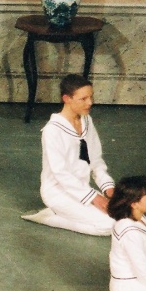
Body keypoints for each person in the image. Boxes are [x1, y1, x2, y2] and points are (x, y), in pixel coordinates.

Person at [21, 74, 116, 236]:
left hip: (82, 190)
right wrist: (95, 198)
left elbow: (96, 160)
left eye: (91, 97)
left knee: (126, 218)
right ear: (66, 99)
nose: (90, 103)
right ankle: (48, 217)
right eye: (83, 99)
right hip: (58, 193)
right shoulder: (52, 130)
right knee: (109, 226)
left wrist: (109, 189)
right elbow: (61, 173)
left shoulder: (87, 120)